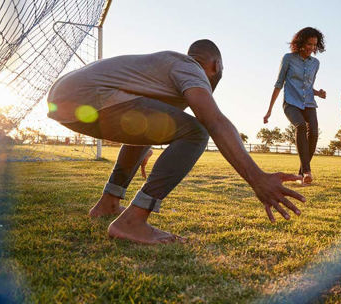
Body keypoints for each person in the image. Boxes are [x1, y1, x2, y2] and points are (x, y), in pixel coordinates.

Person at [47, 39, 305, 245]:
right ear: (215, 65)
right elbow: (214, 120)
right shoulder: (189, 66)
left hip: (65, 98)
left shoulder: (166, 71)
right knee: (197, 132)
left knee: (155, 128)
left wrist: (143, 142)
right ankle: (132, 222)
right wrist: (257, 178)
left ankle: (108, 203)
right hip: (89, 95)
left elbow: (142, 122)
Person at [263, 27, 326, 185]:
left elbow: (307, 86)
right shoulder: (288, 59)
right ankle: (307, 171)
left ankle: (302, 174)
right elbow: (279, 84)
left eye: (315, 45)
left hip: (309, 103)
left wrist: (318, 93)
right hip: (291, 103)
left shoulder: (315, 63)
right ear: (301, 43)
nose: (312, 48)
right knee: (300, 126)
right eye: (309, 44)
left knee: (314, 132)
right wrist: (269, 110)